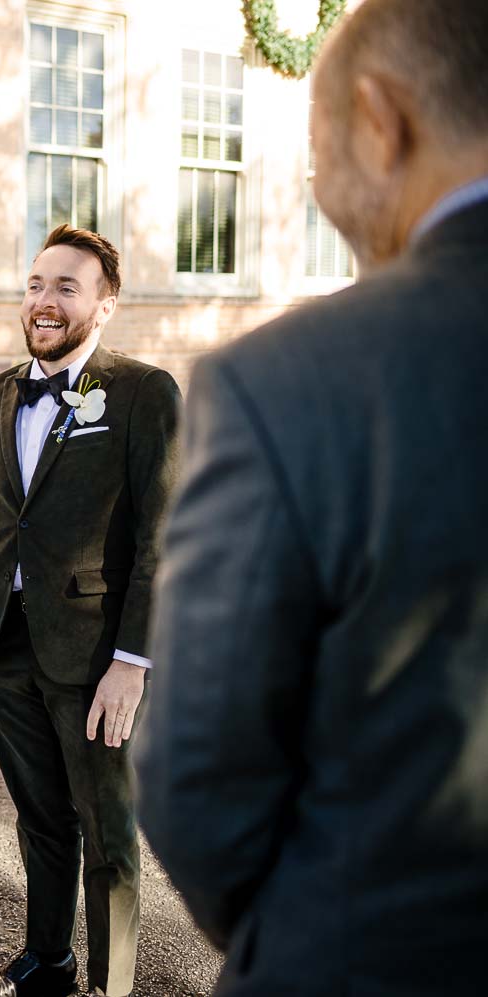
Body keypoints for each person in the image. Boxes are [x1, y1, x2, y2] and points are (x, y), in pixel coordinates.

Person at [136, 0, 488, 992]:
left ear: (382, 120)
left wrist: (309, 930)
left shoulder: (287, 383)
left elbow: (200, 776)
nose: (322, 193)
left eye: (318, 155)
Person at [0, 226, 181, 997]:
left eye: (65, 288)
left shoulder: (144, 392)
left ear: (105, 305)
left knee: (107, 832)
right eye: (36, 284)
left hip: (94, 657)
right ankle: (45, 963)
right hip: (2, 648)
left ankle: (110, 989)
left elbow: (161, 537)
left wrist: (133, 661)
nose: (44, 302)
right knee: (42, 820)